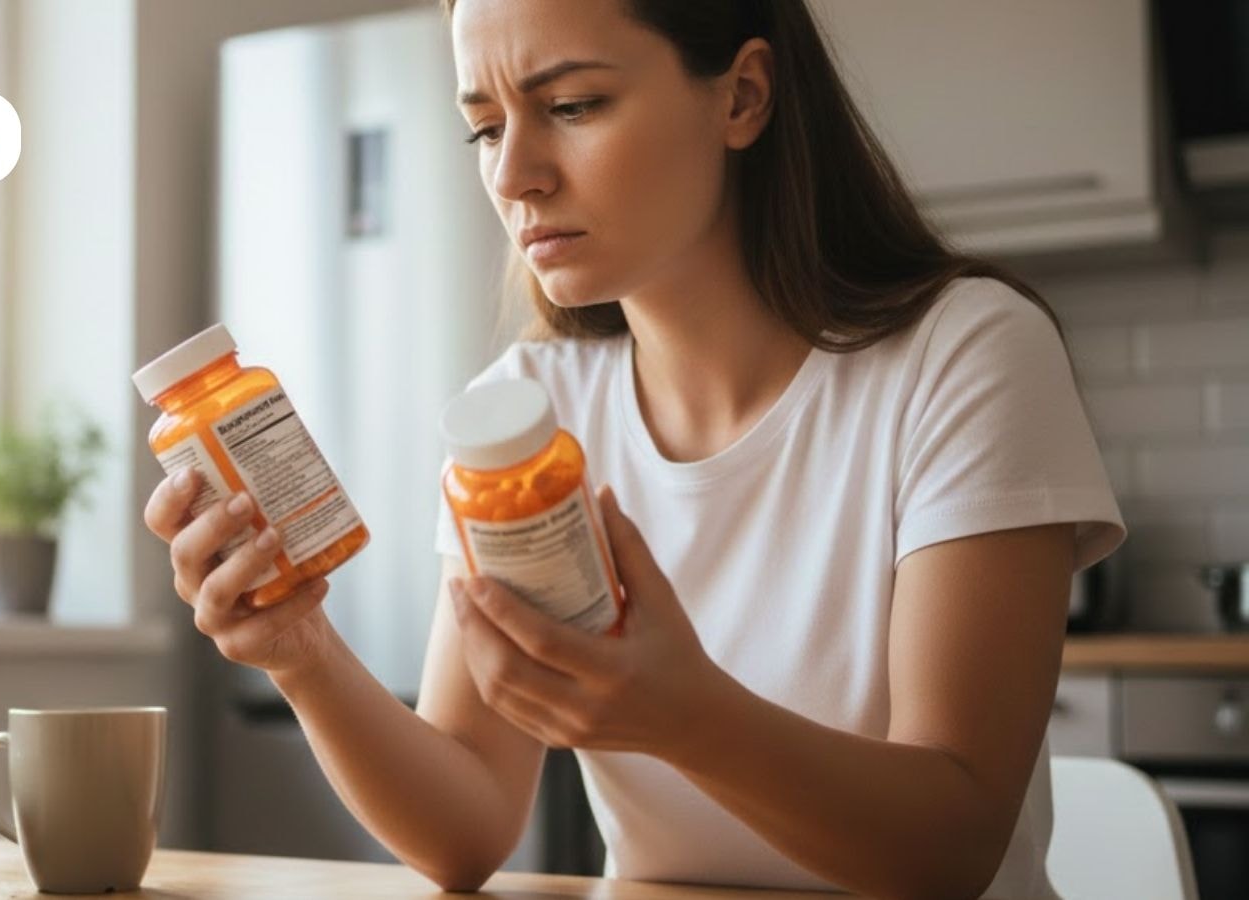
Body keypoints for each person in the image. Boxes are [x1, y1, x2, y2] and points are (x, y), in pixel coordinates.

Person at [143, 1, 1124, 896]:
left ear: (741, 96)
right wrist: (300, 653)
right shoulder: (525, 413)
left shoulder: (967, 355)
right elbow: (465, 828)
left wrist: (688, 717)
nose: (512, 172)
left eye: (571, 106)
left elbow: (950, 847)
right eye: (484, 126)